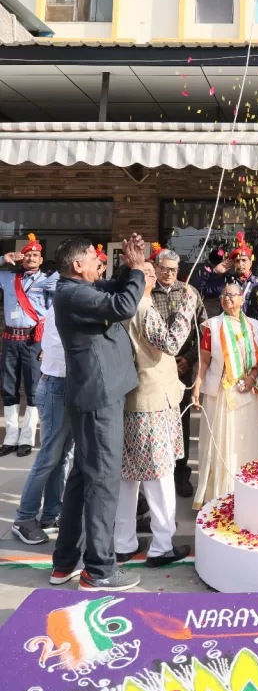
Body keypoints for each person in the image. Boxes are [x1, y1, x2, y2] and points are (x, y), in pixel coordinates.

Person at [50, 235, 146, 592]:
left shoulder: (77, 289)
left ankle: (65, 561)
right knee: (103, 480)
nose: (99, 261)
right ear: (77, 265)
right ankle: (99, 570)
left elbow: (113, 286)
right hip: (98, 397)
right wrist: (136, 269)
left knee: (82, 476)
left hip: (95, 394)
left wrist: (128, 266)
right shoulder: (72, 294)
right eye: (94, 257)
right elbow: (123, 305)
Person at [114, 262, 195, 568]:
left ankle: (123, 543)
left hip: (133, 400)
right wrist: (187, 305)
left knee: (129, 476)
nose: (155, 276)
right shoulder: (142, 307)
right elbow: (172, 343)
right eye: (149, 273)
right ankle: (161, 546)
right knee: (159, 477)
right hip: (150, 404)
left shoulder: (124, 306)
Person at [192, 282, 258, 509]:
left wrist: (252, 378)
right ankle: (221, 494)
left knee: (246, 441)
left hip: (249, 391)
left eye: (232, 295)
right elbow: (204, 361)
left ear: (242, 300)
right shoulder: (212, 326)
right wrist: (197, 385)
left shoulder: (254, 325)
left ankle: (249, 493)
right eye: (223, 295)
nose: (226, 299)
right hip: (222, 392)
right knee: (223, 442)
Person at [11, 303, 74, 544]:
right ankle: (24, 519)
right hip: (56, 386)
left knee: (63, 455)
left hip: (67, 387)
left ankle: (51, 514)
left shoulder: (71, 300)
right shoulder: (65, 303)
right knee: (48, 457)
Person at [150, 247, 207, 498]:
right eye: (164, 268)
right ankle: (154, 471)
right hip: (152, 366)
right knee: (154, 419)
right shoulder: (145, 292)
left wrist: (189, 359)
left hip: (182, 366)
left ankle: (180, 473)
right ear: (155, 268)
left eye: (174, 269)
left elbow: (202, 330)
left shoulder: (189, 292)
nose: (169, 273)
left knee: (181, 420)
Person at [0, 235, 58, 457]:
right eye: (27, 255)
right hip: (10, 338)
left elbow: (54, 315)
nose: (31, 258)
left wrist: (48, 345)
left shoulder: (49, 280)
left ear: (41, 259)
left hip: (34, 340)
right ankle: (11, 437)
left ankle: (26, 438)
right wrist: (3, 258)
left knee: (33, 389)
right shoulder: (8, 278)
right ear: (21, 258)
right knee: (8, 388)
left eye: (35, 255)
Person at [197, 233, 258, 307]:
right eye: (237, 261)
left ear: (250, 262)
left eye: (244, 260)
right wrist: (214, 271)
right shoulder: (226, 282)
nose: (241, 264)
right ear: (234, 264)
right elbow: (200, 289)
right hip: (228, 319)